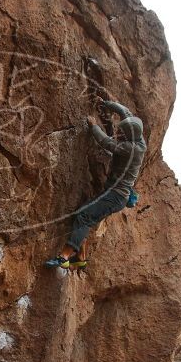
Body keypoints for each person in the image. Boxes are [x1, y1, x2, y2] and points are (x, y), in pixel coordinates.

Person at [44, 100, 145, 270]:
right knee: (85, 216)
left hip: (116, 196)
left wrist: (94, 126)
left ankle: (64, 257)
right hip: (115, 194)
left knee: (84, 216)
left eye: (122, 132)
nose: (118, 133)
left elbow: (107, 143)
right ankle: (81, 258)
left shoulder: (132, 147)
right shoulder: (139, 136)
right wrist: (106, 104)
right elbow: (125, 111)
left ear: (129, 135)